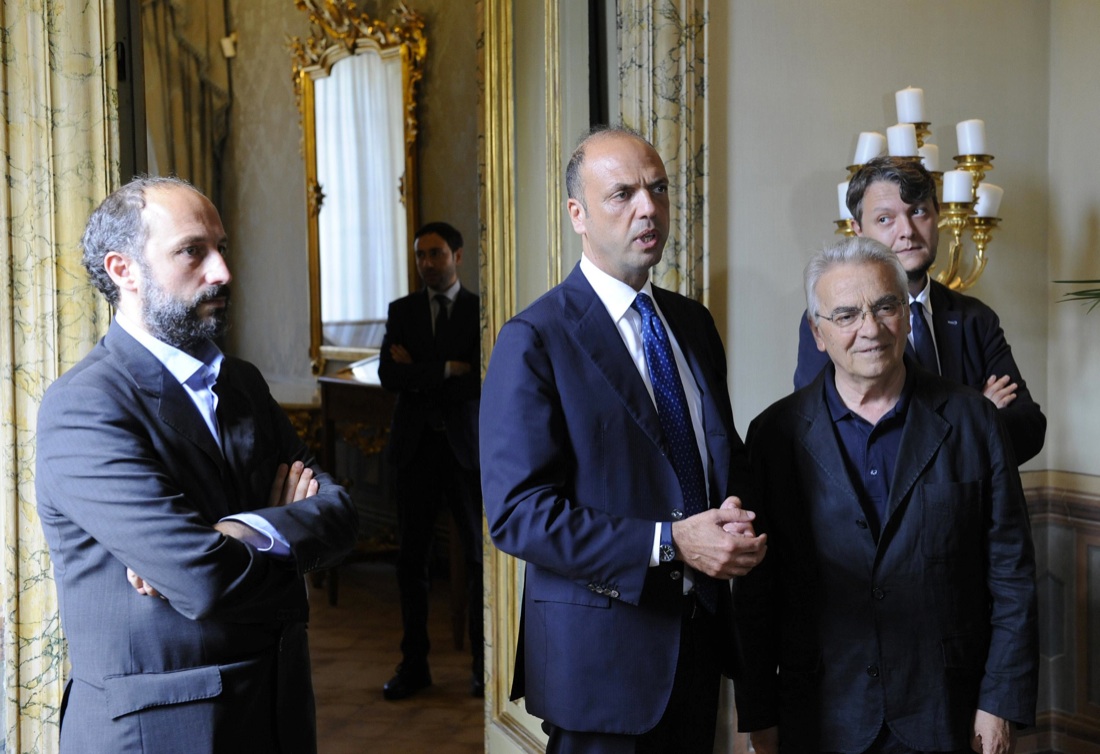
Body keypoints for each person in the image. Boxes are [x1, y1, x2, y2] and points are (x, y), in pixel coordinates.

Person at [35, 175, 358, 753]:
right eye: (192, 251)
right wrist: (281, 536)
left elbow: (340, 516)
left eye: (221, 249)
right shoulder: (84, 404)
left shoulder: (243, 383)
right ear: (123, 270)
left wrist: (240, 530)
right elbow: (200, 579)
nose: (223, 272)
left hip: (277, 711)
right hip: (161, 731)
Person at [480, 125, 767, 753]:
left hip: (698, 643)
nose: (648, 208)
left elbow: (716, 455)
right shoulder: (534, 338)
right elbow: (518, 515)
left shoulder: (691, 322)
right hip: (600, 662)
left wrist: (735, 515)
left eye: (658, 189)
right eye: (623, 194)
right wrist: (671, 542)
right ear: (577, 215)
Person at [735, 237, 1038, 754]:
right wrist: (760, 714)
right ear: (818, 333)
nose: (870, 329)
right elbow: (755, 595)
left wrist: (1000, 702)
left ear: (906, 316)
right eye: (846, 315)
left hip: (948, 709)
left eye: (885, 307)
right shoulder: (774, 435)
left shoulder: (974, 421)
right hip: (821, 713)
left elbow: (1012, 575)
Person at [793, 156, 1046, 464]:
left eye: (918, 211)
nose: (907, 231)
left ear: (938, 215)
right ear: (858, 230)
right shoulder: (835, 325)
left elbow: (1029, 429)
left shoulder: (976, 318)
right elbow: (829, 439)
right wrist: (977, 413)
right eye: (885, 219)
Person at [377, 221, 484, 700]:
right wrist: (445, 368)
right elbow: (388, 375)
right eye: (421, 255)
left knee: (479, 559)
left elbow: (479, 379)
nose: (427, 263)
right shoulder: (402, 311)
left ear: (457, 256)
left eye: (436, 254)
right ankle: (414, 665)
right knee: (411, 562)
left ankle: (483, 666)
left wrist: (419, 370)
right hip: (415, 450)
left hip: (465, 452)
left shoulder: (480, 309)